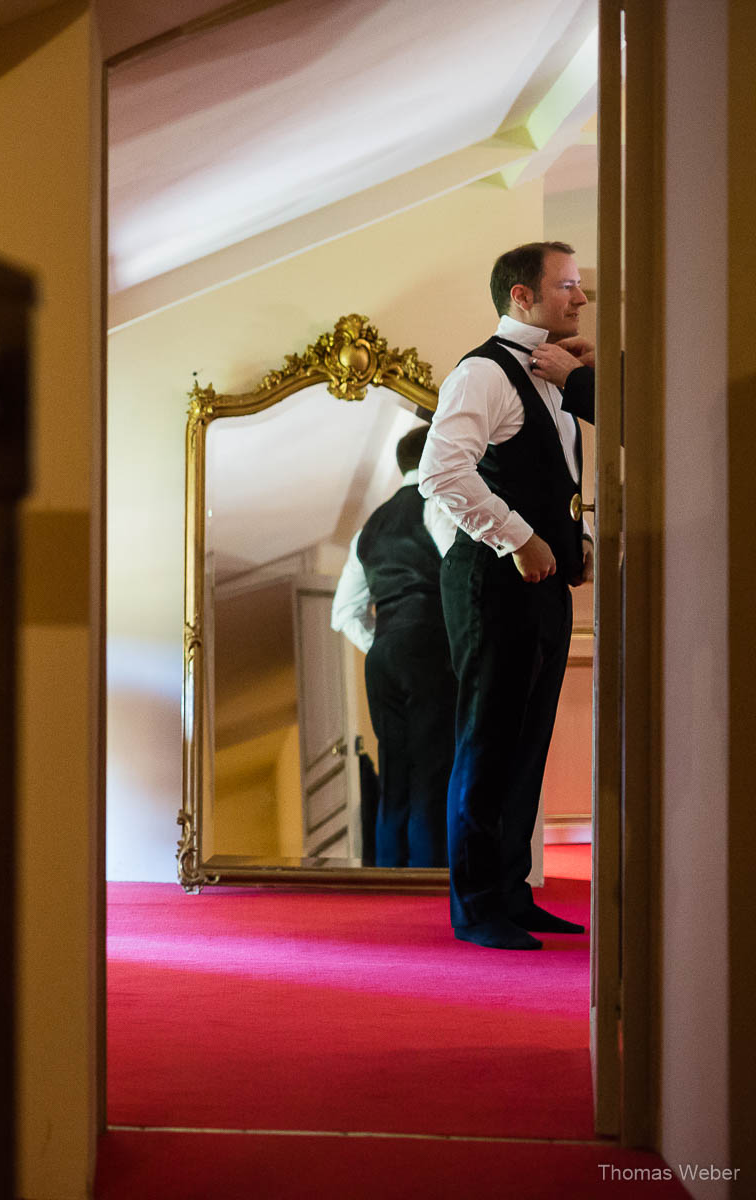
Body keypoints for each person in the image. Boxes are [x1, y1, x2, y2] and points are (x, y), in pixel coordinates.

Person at [420, 240, 595, 950]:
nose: (579, 299)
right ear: (521, 297)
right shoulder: (481, 373)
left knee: (527, 742)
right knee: (487, 741)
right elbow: (442, 472)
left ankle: (511, 889)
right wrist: (521, 538)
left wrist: (567, 540)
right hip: (493, 580)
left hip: (546, 585)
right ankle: (476, 906)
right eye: (567, 286)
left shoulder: (557, 372)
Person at [330, 424, 457, 868]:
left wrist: (386, 642)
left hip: (383, 655)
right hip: (430, 647)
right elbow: (457, 578)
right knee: (430, 771)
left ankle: (386, 878)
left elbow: (343, 613)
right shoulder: (439, 503)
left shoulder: (368, 527)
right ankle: (426, 883)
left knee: (396, 771)